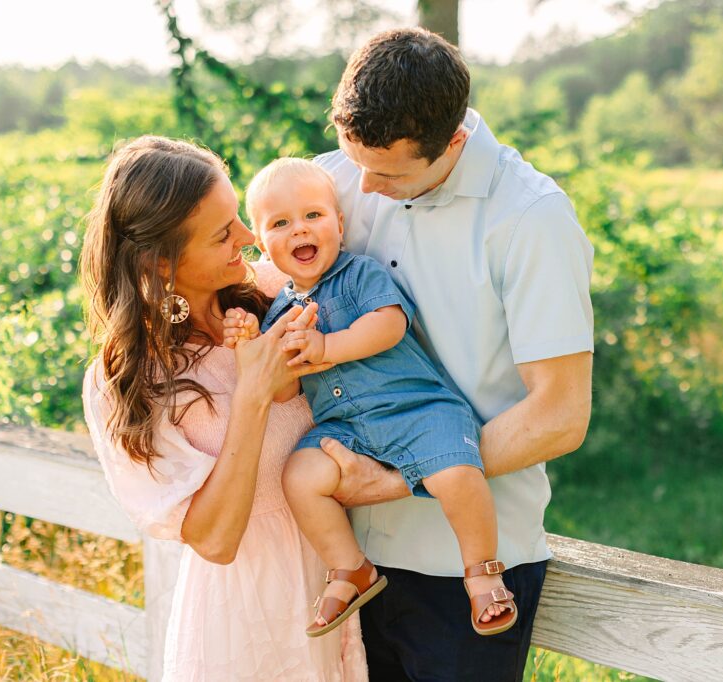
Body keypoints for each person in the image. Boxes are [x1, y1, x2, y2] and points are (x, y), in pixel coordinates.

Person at [311, 27, 595, 680]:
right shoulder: (335, 185)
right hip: (347, 564)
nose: (364, 187)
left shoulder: (531, 219)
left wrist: (397, 479)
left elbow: (560, 414)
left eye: (389, 173)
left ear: (455, 142)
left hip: (464, 571)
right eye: (354, 159)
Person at [79, 136, 367, 680]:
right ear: (161, 263)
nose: (248, 236)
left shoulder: (284, 289)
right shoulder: (129, 380)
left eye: (238, 217)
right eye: (222, 234)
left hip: (339, 583)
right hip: (244, 622)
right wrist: (254, 394)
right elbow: (214, 539)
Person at [225, 157, 516, 639]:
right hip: (347, 430)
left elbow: (389, 324)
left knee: (458, 474)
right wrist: (250, 348)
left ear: (339, 223)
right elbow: (284, 390)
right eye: (280, 223)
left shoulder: (360, 273)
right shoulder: (279, 310)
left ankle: (483, 572)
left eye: (313, 216)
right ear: (261, 242)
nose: (299, 230)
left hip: (417, 410)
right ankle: (350, 568)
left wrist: (327, 346)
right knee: (299, 476)